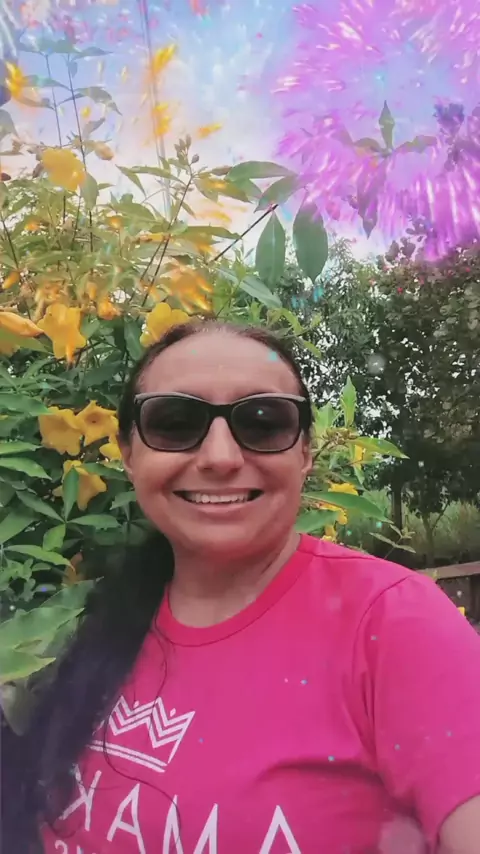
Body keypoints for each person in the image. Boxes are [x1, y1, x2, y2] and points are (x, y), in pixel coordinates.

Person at [3, 319, 480, 854]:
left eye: (263, 423)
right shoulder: (91, 621)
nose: (221, 458)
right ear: (128, 454)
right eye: (175, 422)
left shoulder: (393, 623)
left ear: (306, 453)